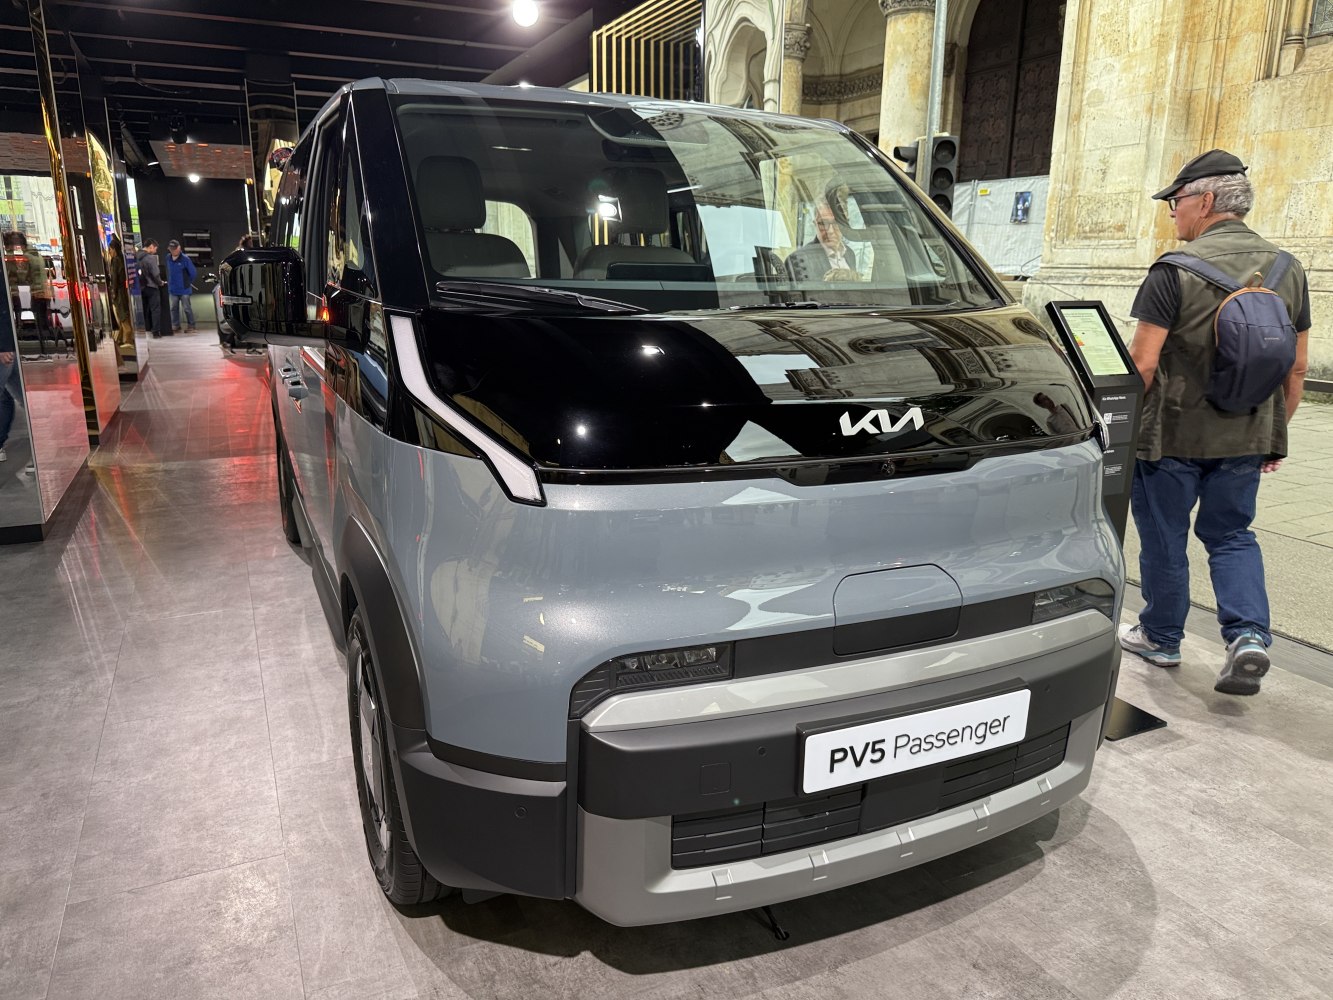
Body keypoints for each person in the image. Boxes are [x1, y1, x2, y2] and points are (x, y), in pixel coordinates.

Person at [1119, 149, 1311, 696]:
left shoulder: (1172, 271)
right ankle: (1248, 635)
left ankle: (1160, 637)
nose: (1172, 214)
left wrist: (1120, 432)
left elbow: (1144, 362)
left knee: (1164, 539)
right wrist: (1274, 433)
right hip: (1246, 435)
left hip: (1171, 439)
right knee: (1231, 535)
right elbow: (1296, 366)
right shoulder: (1287, 269)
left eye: (1176, 203)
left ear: (1203, 201)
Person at [4, 231, 54, 360]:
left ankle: (25, 350)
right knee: (42, 321)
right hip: (44, 292)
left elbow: (22, 275)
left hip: (32, 292)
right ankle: (45, 350)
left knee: (18, 320)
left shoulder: (26, 257)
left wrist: (17, 279)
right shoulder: (37, 255)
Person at [785, 201, 860, 282]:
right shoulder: (798, 259)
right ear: (815, 224)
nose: (830, 231)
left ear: (846, 224)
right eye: (823, 224)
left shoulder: (849, 254)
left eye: (836, 223)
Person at [106, 234, 134, 352]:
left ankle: (128, 339)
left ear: (114, 250)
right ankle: (123, 339)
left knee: (122, 315)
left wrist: (113, 292)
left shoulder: (116, 261)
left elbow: (115, 278)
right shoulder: (121, 260)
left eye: (110, 250)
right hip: (122, 290)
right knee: (123, 315)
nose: (109, 252)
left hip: (119, 292)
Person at [165, 238, 198, 333]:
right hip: (173, 289)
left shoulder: (185, 259)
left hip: (184, 290)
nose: (173, 251)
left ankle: (191, 325)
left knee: (187, 308)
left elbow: (193, 273)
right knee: (173, 308)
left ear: (179, 248)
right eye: (171, 249)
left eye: (174, 248)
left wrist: (187, 282)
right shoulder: (168, 258)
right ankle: (176, 325)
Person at [137, 238, 165, 336]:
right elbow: (155, 274)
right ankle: (156, 331)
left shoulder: (136, 256)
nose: (155, 251)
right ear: (151, 247)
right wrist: (160, 282)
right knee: (155, 309)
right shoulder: (150, 258)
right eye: (155, 248)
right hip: (151, 287)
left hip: (140, 287)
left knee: (143, 309)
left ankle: (145, 328)